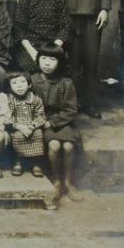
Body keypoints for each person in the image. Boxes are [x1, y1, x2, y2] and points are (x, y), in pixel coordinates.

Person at [31, 43, 83, 204]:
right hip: (41, 121)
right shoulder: (32, 80)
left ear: (60, 62)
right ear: (38, 60)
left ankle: (68, 182)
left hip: (62, 121)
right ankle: (56, 180)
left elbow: (70, 109)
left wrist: (53, 122)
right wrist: (42, 121)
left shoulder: (66, 83)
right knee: (54, 145)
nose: (47, 63)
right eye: (43, 58)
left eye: (52, 59)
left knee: (68, 146)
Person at [13, 0, 71, 74]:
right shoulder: (25, 0)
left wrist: (52, 50)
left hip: (53, 46)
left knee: (59, 66)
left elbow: (65, 27)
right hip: (30, 46)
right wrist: (32, 52)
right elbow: (19, 29)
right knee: (28, 67)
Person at [6, 71, 46, 178]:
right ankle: (18, 162)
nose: (19, 86)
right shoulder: (9, 100)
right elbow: (7, 116)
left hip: (32, 125)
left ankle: (36, 163)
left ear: (29, 85)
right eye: (14, 83)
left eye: (22, 82)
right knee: (18, 136)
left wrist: (33, 126)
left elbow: (41, 116)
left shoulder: (35, 99)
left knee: (38, 134)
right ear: (9, 86)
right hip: (16, 126)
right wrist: (18, 126)